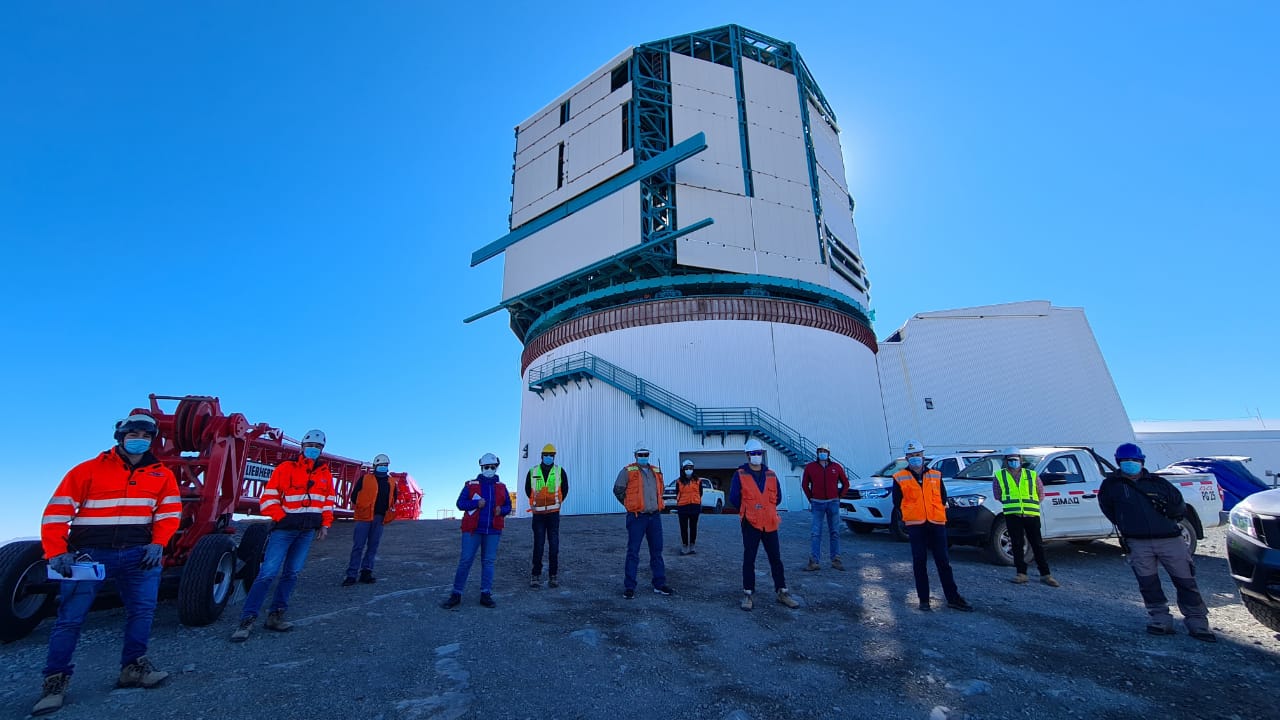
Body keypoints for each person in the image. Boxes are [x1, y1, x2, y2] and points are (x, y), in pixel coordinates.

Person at [33, 411, 181, 715]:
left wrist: (158, 543)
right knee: (70, 618)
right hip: (90, 556)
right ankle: (55, 681)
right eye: (133, 435)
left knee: (142, 612)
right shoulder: (87, 471)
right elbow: (57, 513)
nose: (139, 441)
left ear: (152, 440)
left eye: (145, 437)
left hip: (140, 554)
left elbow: (168, 514)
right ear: (120, 437)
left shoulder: (161, 475)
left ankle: (133, 668)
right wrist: (56, 551)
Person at [1099, 442, 1214, 641]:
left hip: (1170, 540)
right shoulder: (1111, 486)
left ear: (1142, 461)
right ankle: (1160, 619)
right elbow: (1108, 509)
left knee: (1185, 580)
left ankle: (1198, 622)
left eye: (1134, 461)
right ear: (1119, 462)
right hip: (1138, 542)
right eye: (1126, 461)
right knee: (1148, 583)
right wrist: (1129, 525)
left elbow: (1178, 506)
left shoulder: (1158, 483)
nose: (1130, 464)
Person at [231, 429, 335, 641]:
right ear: (302, 447)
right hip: (284, 531)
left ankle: (275, 616)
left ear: (321, 450)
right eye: (310, 446)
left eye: (317, 447)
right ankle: (247, 619)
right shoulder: (286, 468)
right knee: (267, 573)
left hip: (307, 532)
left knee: (292, 573)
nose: (313, 450)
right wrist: (281, 518)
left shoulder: (324, 473)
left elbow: (327, 502)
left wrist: (325, 524)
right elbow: (268, 498)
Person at [892, 440, 974, 612]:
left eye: (918, 455)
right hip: (916, 525)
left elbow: (942, 497)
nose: (916, 458)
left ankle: (953, 598)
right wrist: (911, 514)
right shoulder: (900, 478)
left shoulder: (935, 475)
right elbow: (897, 502)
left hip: (936, 523)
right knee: (919, 562)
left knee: (943, 562)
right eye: (912, 455)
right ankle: (924, 600)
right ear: (907, 457)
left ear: (923, 455)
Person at [730, 438, 800, 611]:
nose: (756, 456)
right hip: (751, 523)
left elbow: (778, 497)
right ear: (747, 455)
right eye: (753, 453)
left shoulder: (771, 474)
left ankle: (782, 591)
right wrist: (749, 510)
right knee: (749, 559)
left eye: (759, 453)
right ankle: (748, 593)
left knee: (776, 558)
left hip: (770, 522)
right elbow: (734, 498)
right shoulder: (740, 474)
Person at [441, 453, 512, 609]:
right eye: (486, 467)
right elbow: (460, 503)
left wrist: (502, 510)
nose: (489, 470)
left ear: (497, 467)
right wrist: (475, 503)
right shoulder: (471, 485)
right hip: (472, 530)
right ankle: (456, 594)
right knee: (465, 561)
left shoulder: (501, 487)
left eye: (492, 467)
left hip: (493, 530)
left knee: (488, 562)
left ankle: (485, 594)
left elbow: (508, 506)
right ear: (481, 467)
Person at [612, 442, 674, 599]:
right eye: (641, 454)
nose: (644, 457)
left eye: (646, 454)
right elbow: (618, 489)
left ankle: (659, 584)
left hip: (655, 516)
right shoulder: (627, 471)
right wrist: (629, 504)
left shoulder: (656, 471)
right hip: (637, 517)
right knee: (633, 552)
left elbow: (661, 490)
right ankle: (630, 586)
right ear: (635, 455)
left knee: (657, 552)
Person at [992, 448, 1059, 587]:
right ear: (1005, 461)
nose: (1013, 462)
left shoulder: (1032, 475)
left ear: (1021, 460)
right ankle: (1021, 573)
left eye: (1015, 459)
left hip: (1031, 514)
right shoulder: (1000, 476)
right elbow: (997, 495)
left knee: (1037, 544)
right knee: (1016, 544)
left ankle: (1046, 574)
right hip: (1012, 515)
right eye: (1010, 459)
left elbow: (1040, 493)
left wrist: (1029, 505)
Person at [343, 453, 398, 586]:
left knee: (373, 546)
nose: (383, 467)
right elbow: (354, 496)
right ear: (375, 466)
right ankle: (351, 574)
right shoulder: (365, 478)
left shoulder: (391, 482)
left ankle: (366, 572)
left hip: (379, 518)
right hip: (364, 517)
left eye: (385, 465)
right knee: (358, 546)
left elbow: (393, 498)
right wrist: (363, 507)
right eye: (381, 465)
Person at [801, 441, 849, 571]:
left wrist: (839, 497)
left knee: (835, 532)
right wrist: (811, 498)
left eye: (824, 452)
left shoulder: (836, 467)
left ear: (828, 453)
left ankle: (836, 559)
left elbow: (846, 483)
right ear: (817, 453)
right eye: (820, 451)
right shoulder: (810, 467)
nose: (822, 453)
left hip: (833, 503)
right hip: (817, 503)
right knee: (816, 533)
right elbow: (805, 484)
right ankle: (814, 561)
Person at [526, 443, 568, 588]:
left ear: (554, 456)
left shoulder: (559, 471)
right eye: (546, 455)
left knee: (554, 546)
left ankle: (553, 576)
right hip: (538, 515)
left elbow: (565, 489)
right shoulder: (533, 471)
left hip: (553, 514)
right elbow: (527, 489)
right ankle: (535, 575)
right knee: (538, 545)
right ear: (542, 456)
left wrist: (557, 502)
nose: (549, 457)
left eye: (551, 455)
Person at [675, 459, 703, 555]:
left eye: (690, 468)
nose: (688, 469)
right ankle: (684, 545)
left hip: (695, 506)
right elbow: (677, 493)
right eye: (686, 468)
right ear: (683, 469)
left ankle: (692, 545)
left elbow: (700, 493)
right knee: (683, 527)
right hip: (683, 506)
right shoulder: (679, 481)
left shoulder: (698, 481)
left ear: (693, 469)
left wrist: (696, 501)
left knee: (693, 527)